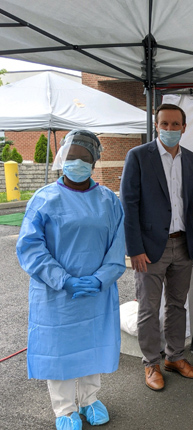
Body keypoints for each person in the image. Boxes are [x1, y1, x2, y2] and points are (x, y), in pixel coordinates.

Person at [16, 130, 125, 430]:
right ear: (63, 157)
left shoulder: (108, 201)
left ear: (94, 162)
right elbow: (30, 247)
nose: (77, 162)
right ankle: (64, 408)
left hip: (95, 293)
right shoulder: (44, 199)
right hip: (56, 295)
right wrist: (63, 280)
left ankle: (90, 399)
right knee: (60, 349)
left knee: (92, 345)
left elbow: (117, 247)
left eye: (85, 158)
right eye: (72, 157)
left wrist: (101, 279)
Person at [120, 103, 193, 391]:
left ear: (184, 127)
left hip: (183, 243)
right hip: (149, 248)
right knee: (148, 308)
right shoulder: (138, 156)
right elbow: (128, 206)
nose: (169, 129)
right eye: (164, 124)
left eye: (175, 124)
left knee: (177, 305)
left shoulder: (192, 160)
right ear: (156, 126)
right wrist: (134, 248)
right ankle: (151, 364)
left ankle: (175, 357)